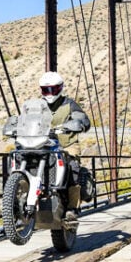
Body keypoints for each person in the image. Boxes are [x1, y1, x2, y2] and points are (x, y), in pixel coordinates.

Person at [39, 71, 91, 219]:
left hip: (67, 144)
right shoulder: (39, 106)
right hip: (45, 144)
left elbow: (83, 120)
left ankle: (73, 208)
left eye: (52, 89)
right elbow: (28, 118)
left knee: (73, 167)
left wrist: (78, 122)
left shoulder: (69, 104)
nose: (49, 93)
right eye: (45, 90)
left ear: (60, 88)